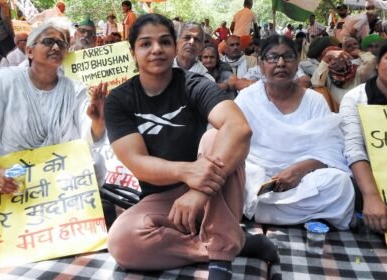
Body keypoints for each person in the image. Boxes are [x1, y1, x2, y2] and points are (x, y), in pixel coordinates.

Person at [104, 13, 277, 280]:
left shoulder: (193, 83)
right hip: (162, 199)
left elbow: (239, 128)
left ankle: (221, 257)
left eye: (164, 41)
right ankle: (233, 243)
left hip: (214, 193)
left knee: (213, 139)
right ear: (133, 52)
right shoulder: (119, 99)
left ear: (174, 48)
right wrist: (187, 172)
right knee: (121, 242)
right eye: (145, 44)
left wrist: (198, 191)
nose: (156, 49)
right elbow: (137, 161)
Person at [0, 22, 111, 224]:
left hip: (59, 176)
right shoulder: (3, 81)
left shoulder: (75, 89)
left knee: (95, 162)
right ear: (29, 51)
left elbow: (89, 136)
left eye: (61, 44)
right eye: (48, 41)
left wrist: (98, 121)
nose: (55, 47)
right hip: (12, 174)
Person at [235, 35, 355, 229]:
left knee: (339, 184)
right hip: (258, 177)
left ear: (297, 61)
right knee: (239, 177)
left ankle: (257, 212)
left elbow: (331, 149)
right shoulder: (247, 98)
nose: (281, 63)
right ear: (260, 63)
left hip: (303, 179)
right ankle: (292, 213)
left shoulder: (314, 100)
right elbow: (234, 143)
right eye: (273, 57)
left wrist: (299, 170)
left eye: (288, 57)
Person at [339, 40, 387, 233]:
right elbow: (353, 149)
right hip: (365, 180)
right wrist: (372, 196)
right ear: (377, 64)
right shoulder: (355, 98)